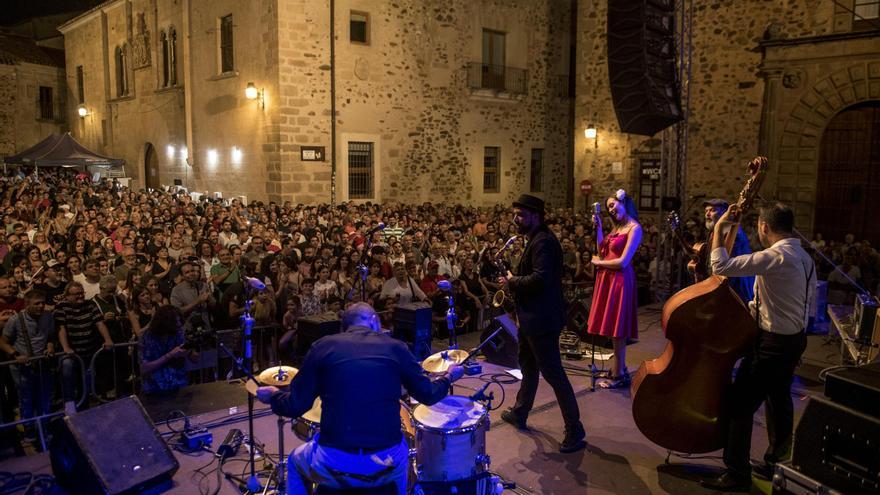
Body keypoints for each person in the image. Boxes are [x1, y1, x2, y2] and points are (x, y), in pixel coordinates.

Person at [256, 302, 463, 495]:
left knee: (294, 461)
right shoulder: (396, 347)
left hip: (335, 462)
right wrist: (449, 377)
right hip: (385, 461)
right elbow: (428, 394)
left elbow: (295, 405)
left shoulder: (322, 346)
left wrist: (274, 396)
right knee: (404, 458)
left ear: (344, 327)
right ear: (374, 320)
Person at [701, 202, 816, 492]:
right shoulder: (805, 257)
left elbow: (720, 266)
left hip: (772, 344)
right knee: (779, 401)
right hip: (793, 340)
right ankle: (776, 461)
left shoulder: (774, 256)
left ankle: (737, 472)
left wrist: (719, 228)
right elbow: (806, 304)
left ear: (764, 227)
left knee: (740, 405)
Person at [497, 194, 586, 453]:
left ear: (537, 216)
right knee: (528, 366)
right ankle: (521, 411)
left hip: (542, 319)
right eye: (515, 214)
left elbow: (540, 279)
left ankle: (575, 429)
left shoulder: (544, 242)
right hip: (530, 317)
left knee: (554, 373)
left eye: (521, 215)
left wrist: (512, 281)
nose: (516, 219)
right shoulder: (535, 239)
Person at [587, 189, 642, 389]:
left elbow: (623, 262)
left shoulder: (634, 228)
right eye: (608, 207)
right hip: (607, 279)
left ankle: (619, 374)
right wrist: (599, 227)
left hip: (619, 279)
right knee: (612, 327)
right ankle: (618, 368)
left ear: (623, 202)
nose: (610, 209)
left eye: (613, 205)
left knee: (618, 329)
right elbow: (603, 250)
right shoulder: (617, 228)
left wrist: (599, 264)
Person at [0, 289, 55, 442]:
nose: (41, 306)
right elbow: (2, 341)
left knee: (44, 397)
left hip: (42, 364)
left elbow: (50, 336)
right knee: (26, 399)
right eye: (36, 303)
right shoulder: (16, 320)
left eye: (42, 303)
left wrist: (50, 346)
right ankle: (29, 429)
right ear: (27, 305)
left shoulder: (47, 317)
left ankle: (44, 426)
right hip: (22, 368)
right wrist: (15, 355)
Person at [701, 198, 754, 304]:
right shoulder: (714, 233)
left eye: (712, 210)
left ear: (724, 214)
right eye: (706, 211)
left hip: (735, 293)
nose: (707, 214)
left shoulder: (733, 234)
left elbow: (731, 271)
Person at [139, 305, 197, 395]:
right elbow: (144, 368)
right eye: (175, 322)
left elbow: (195, 359)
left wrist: (189, 352)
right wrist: (170, 355)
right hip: (155, 388)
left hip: (179, 385)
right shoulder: (148, 337)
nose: (178, 325)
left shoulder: (178, 332)